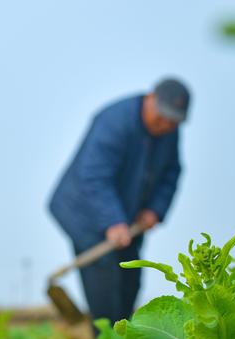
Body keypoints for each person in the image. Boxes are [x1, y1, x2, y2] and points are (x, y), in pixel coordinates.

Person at [49, 78, 190, 323]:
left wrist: (154, 210)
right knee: (105, 286)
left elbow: (171, 172)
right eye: (162, 116)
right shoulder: (114, 122)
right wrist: (112, 221)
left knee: (129, 282)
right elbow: (94, 177)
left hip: (128, 218)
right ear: (150, 99)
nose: (166, 124)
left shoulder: (169, 131)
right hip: (86, 213)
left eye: (173, 120)